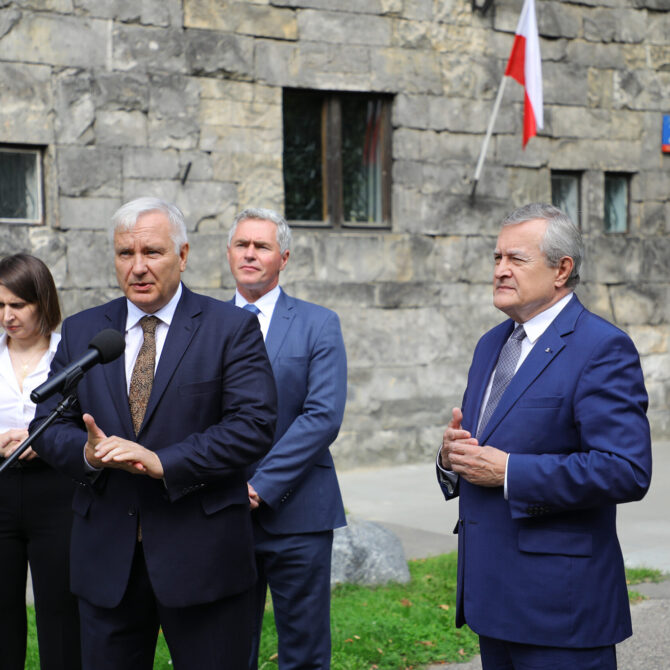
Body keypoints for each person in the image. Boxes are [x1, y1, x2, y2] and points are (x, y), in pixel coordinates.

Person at [32, 197, 278, 670]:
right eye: (126, 254)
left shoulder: (231, 328)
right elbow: (48, 424)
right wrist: (87, 456)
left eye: (153, 252)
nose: (138, 267)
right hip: (107, 559)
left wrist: (167, 461)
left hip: (202, 555)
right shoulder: (85, 330)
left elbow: (254, 425)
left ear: (183, 256)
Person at [438, 203, 652, 670]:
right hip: (491, 600)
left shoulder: (602, 348)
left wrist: (511, 472)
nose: (500, 270)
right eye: (496, 258)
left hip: (561, 609)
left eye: (516, 259)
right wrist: (451, 456)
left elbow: (627, 469)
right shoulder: (491, 344)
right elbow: (485, 445)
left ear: (562, 270)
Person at [226, 207, 347, 670]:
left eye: (262, 246)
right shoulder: (204, 322)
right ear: (229, 253)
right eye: (242, 245)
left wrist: (261, 486)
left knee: (305, 650)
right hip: (221, 510)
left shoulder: (319, 323)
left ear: (284, 257)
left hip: (299, 511)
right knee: (228, 646)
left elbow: (322, 416)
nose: (250, 254)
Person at [0, 253, 81, 670]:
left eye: (18, 305)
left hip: (56, 489)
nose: (7, 316)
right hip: (0, 485)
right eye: (0, 306)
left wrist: (47, 440)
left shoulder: (70, 354)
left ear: (42, 301)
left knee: (60, 609)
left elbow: (91, 419)